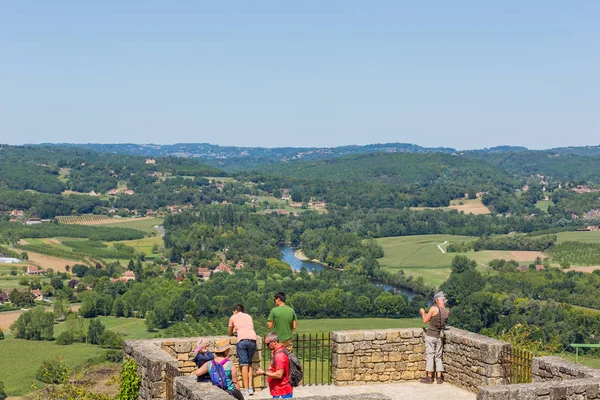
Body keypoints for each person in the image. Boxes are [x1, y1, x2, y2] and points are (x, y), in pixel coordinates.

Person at [419, 291, 450, 384]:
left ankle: (429, 377)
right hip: (439, 336)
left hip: (430, 335)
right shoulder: (447, 312)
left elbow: (425, 321)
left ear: (437, 300)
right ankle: (439, 378)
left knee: (430, 355)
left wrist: (422, 312)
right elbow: (436, 321)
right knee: (438, 357)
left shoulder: (433, 308)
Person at [229, 304, 257, 396]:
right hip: (252, 339)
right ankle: (250, 388)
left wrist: (233, 332)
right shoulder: (248, 316)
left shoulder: (233, 317)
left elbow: (230, 332)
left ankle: (245, 389)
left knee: (244, 365)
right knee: (249, 364)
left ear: (235, 311)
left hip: (242, 340)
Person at [256, 332, 293, 399]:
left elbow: (279, 375)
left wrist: (263, 373)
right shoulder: (279, 350)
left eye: (268, 344)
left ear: (274, 342)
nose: (267, 346)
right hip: (279, 390)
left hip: (281, 391)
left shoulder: (279, 356)